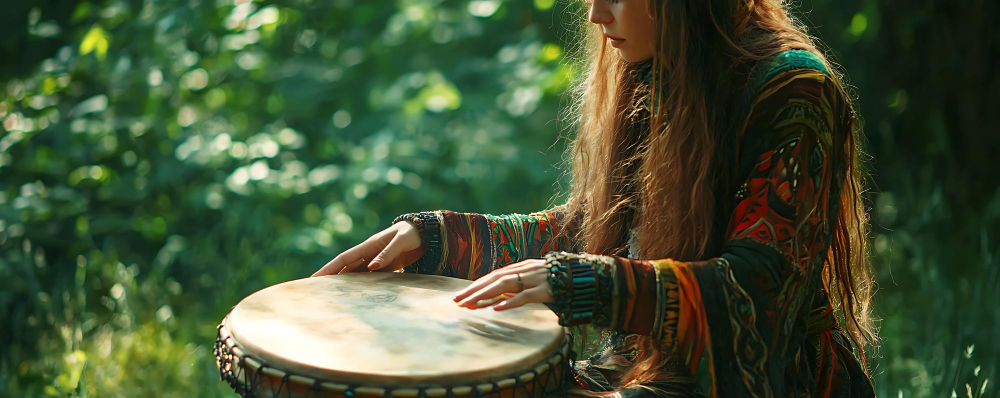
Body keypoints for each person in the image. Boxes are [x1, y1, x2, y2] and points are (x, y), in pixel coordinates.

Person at [313, 0, 878, 396]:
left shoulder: (796, 92)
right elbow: (596, 231)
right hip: (642, 369)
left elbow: (760, 290)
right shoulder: (659, 65)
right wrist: (438, 236)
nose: (595, 14)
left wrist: (589, 284)